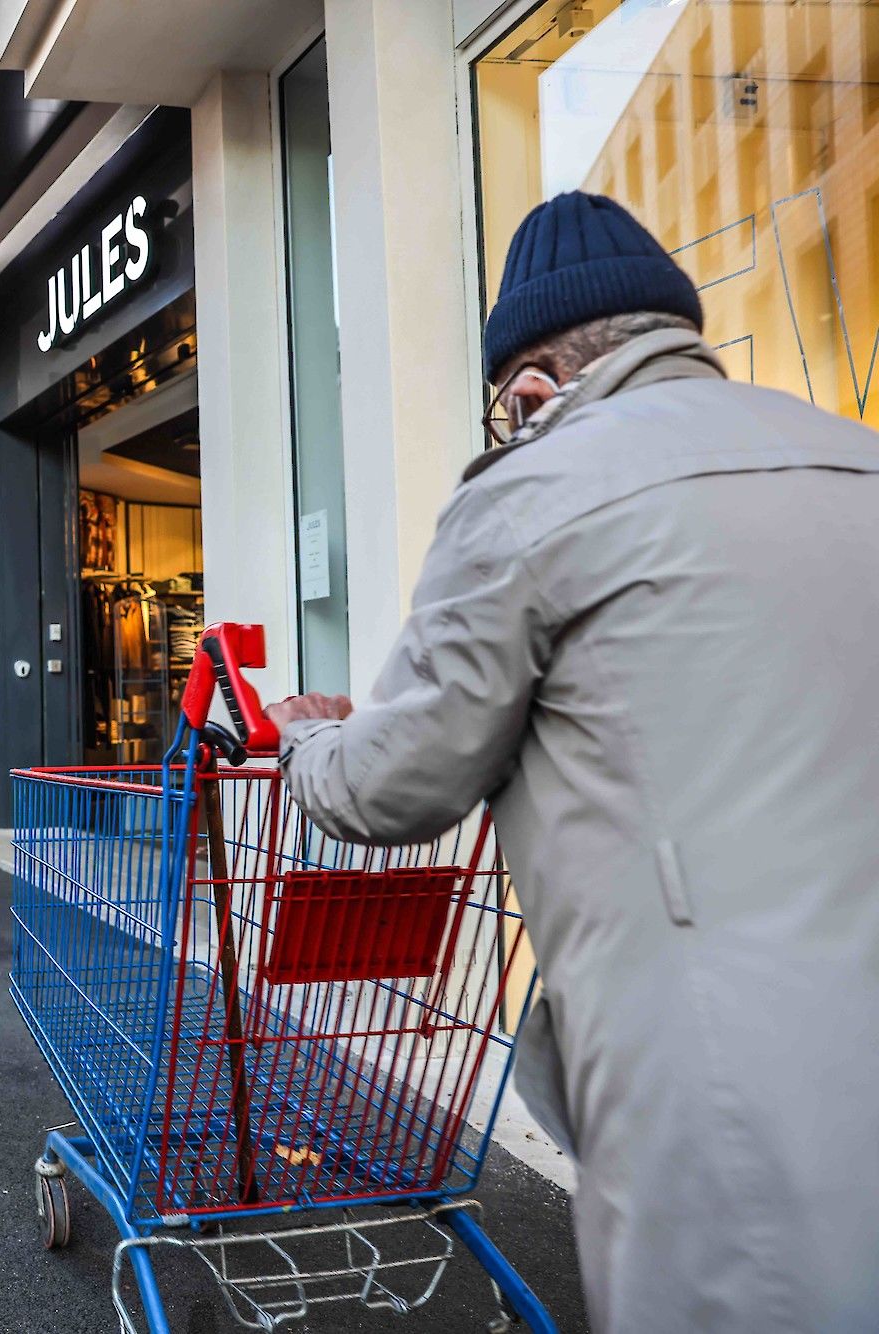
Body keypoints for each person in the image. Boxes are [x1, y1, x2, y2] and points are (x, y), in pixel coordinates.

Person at [264, 192, 879, 1333]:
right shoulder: (854, 458)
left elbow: (392, 784)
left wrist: (303, 737)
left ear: (532, 389)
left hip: (718, 1087)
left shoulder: (531, 492)